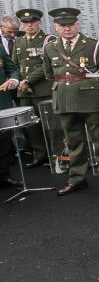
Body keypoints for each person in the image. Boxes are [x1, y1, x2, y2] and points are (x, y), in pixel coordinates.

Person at [43, 8, 99, 195]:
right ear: (55, 27)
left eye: (71, 25)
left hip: (90, 99)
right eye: (62, 26)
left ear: (77, 24)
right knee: (74, 142)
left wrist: (90, 88)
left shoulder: (93, 45)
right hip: (65, 99)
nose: (67, 29)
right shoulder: (51, 47)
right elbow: (49, 74)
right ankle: (77, 178)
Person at [12, 9, 55, 168]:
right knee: (31, 126)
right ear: (21, 25)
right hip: (24, 91)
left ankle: (56, 154)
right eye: (25, 23)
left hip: (43, 89)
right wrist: (21, 81)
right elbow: (14, 65)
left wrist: (28, 81)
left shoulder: (48, 40)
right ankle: (40, 155)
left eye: (32, 22)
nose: (29, 26)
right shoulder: (19, 41)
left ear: (39, 22)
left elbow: (47, 65)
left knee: (50, 124)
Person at [0, 46, 22, 188]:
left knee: (4, 142)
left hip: (2, 101)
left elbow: (12, 68)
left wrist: (14, 79)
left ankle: (4, 176)